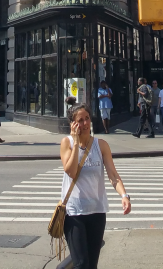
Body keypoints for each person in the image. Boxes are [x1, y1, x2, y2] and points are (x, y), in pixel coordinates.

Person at [60, 104, 131, 269]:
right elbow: (70, 171)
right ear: (73, 124)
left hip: (97, 212)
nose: (85, 124)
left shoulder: (101, 145)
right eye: (80, 120)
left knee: (91, 265)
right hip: (74, 213)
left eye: (87, 119)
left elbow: (113, 175)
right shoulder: (67, 143)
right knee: (81, 264)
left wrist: (124, 196)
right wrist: (76, 143)